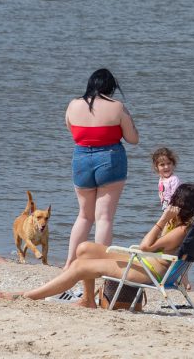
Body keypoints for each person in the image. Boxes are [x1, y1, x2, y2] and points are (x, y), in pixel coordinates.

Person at [0, 183, 194, 307]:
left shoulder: (180, 231)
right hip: (146, 262)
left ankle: (29, 295)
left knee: (81, 266)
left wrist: (162, 219)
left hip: (148, 271)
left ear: (181, 206)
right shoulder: (180, 226)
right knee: (84, 249)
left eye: (174, 202)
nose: (170, 205)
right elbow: (147, 249)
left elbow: (145, 246)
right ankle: (88, 300)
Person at [63, 68, 139, 267]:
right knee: (103, 217)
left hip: (80, 158)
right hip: (110, 157)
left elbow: (71, 130)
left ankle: (70, 261)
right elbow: (133, 139)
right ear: (111, 87)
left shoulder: (73, 105)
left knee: (84, 215)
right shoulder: (117, 106)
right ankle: (98, 263)